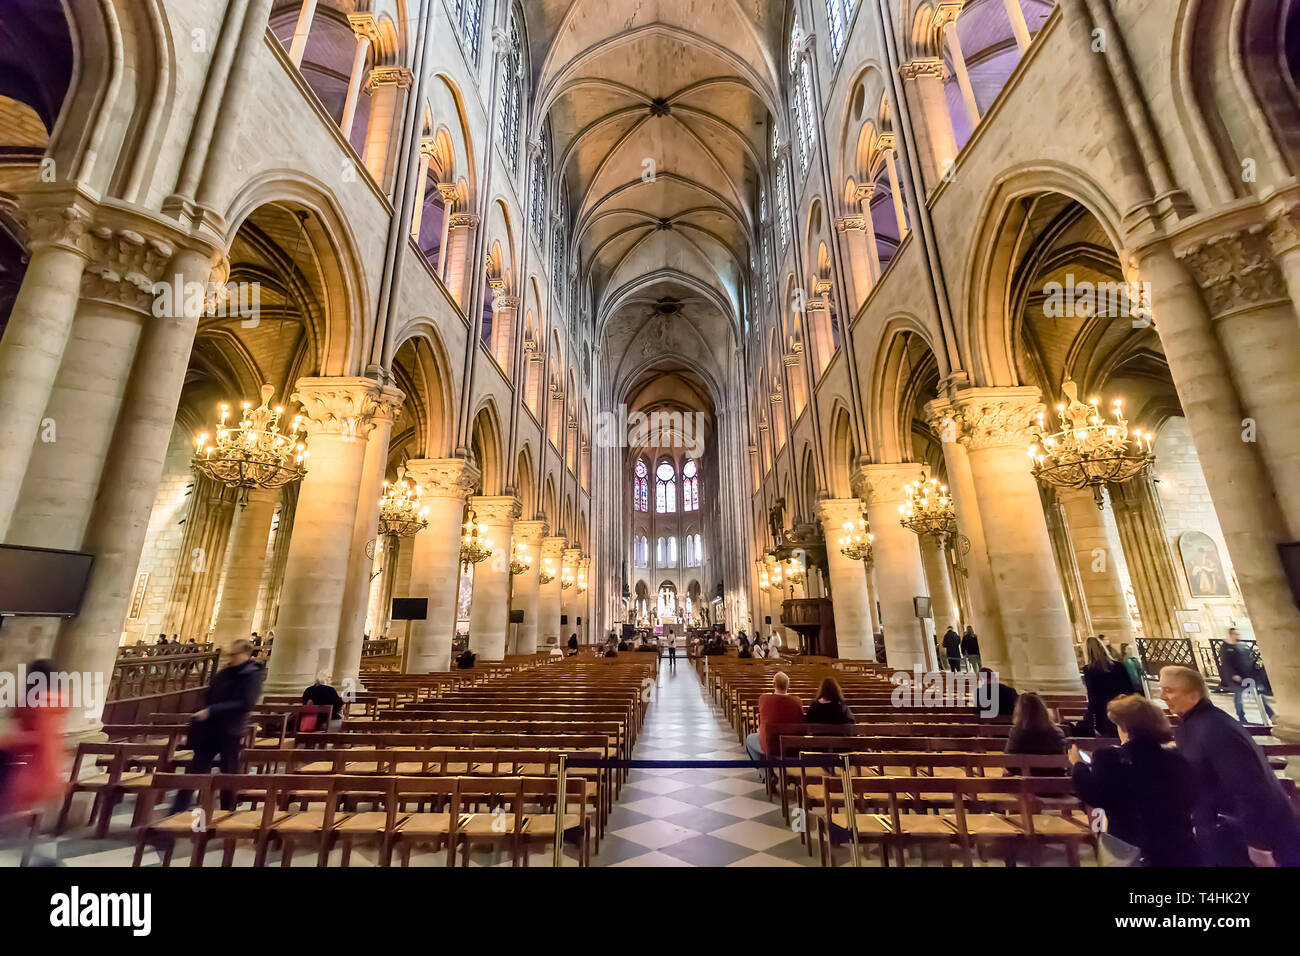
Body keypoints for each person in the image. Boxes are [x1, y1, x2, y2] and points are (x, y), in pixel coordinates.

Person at [1160, 665, 1300, 866]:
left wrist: (1259, 844)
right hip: (1222, 832)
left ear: (1194, 695)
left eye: (1169, 690)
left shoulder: (1215, 729)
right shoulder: (1196, 723)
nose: (1162, 696)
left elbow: (1249, 787)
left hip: (1242, 836)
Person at [1068, 694, 1201, 866]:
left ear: (1124, 728)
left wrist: (1078, 765)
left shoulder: (1108, 757)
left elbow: (1094, 795)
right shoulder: (1177, 758)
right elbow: (1191, 799)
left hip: (1130, 846)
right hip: (1177, 846)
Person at [172, 639, 264, 812]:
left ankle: (227, 814)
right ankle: (173, 818)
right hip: (210, 730)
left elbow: (246, 703)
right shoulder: (225, 672)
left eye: (234, 654)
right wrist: (202, 711)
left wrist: (212, 710)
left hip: (230, 732)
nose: (231, 657)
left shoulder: (253, 676)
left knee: (228, 776)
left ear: (245, 654)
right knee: (193, 773)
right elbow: (208, 694)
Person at [743, 671, 804, 779]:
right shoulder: (797, 701)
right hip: (792, 747)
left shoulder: (764, 698)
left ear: (773, 685)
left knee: (750, 739)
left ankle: (768, 772)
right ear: (788, 685)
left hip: (772, 746)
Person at [1082, 636, 1135, 736]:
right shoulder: (1119, 666)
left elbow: (1093, 696)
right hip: (1122, 706)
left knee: (1110, 738)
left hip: (1103, 710)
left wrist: (1090, 715)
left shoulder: (1089, 670)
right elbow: (1130, 688)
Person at [1218, 628, 1274, 724]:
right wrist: (1233, 675)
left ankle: (1271, 715)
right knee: (1239, 697)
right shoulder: (1225, 648)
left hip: (1249, 675)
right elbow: (1226, 663)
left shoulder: (1242, 645)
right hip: (1236, 678)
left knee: (1259, 695)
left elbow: (1250, 658)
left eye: (1238, 634)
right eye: (1236, 634)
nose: (1238, 636)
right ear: (1231, 635)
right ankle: (1241, 716)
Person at [1004, 692, 1067, 775]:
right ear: (1043, 710)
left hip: (1024, 783)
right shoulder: (1057, 732)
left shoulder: (1016, 733)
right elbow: (1062, 762)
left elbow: (1010, 764)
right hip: (1053, 782)